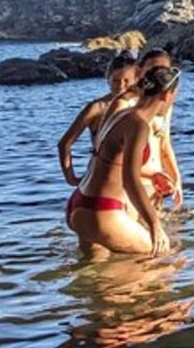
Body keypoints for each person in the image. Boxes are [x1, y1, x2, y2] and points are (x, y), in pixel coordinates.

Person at [65, 66, 179, 257]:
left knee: (98, 276)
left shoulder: (121, 113)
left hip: (80, 202)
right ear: (168, 95)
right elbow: (130, 180)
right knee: (162, 256)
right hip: (101, 211)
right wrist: (155, 224)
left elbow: (109, 161)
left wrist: (152, 174)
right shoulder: (139, 125)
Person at [103, 47, 184, 209]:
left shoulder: (163, 104)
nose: (159, 74)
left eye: (164, 70)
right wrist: (150, 174)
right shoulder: (124, 104)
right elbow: (110, 156)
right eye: (154, 69)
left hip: (157, 183)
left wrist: (176, 179)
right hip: (130, 184)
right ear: (140, 70)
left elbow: (165, 145)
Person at [58, 52, 139, 187]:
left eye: (126, 81)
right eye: (116, 80)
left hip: (136, 176)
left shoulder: (141, 105)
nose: (121, 86)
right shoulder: (96, 108)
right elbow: (64, 144)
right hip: (104, 178)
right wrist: (71, 178)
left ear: (136, 80)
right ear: (108, 79)